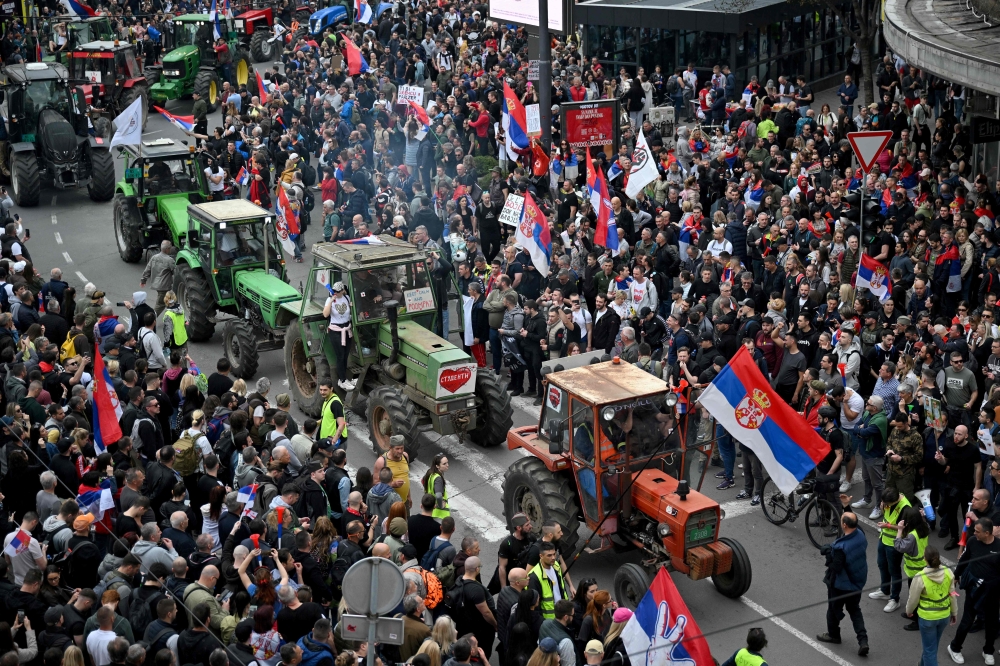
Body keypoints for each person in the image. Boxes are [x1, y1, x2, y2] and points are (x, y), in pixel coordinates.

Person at [948, 517, 1000, 664]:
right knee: (967, 621)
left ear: (987, 533)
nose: (974, 533)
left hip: (992, 593)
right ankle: (955, 647)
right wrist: (957, 575)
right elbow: (964, 558)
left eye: (977, 531)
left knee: (992, 623)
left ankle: (988, 650)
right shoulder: (972, 542)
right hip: (974, 590)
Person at [817, 512, 869, 656]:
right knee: (854, 610)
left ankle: (833, 635)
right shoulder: (860, 535)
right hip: (857, 582)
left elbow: (836, 567)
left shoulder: (841, 547)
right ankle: (863, 641)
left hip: (841, 586)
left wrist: (829, 554)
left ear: (844, 525)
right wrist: (847, 506)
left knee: (833, 609)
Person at [906, 545, 957, 666]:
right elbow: (952, 594)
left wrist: (909, 611)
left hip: (927, 618)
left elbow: (913, 599)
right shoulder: (948, 571)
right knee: (932, 647)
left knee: (929, 650)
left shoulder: (920, 577)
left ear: (925, 559)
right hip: (944, 615)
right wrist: (954, 612)